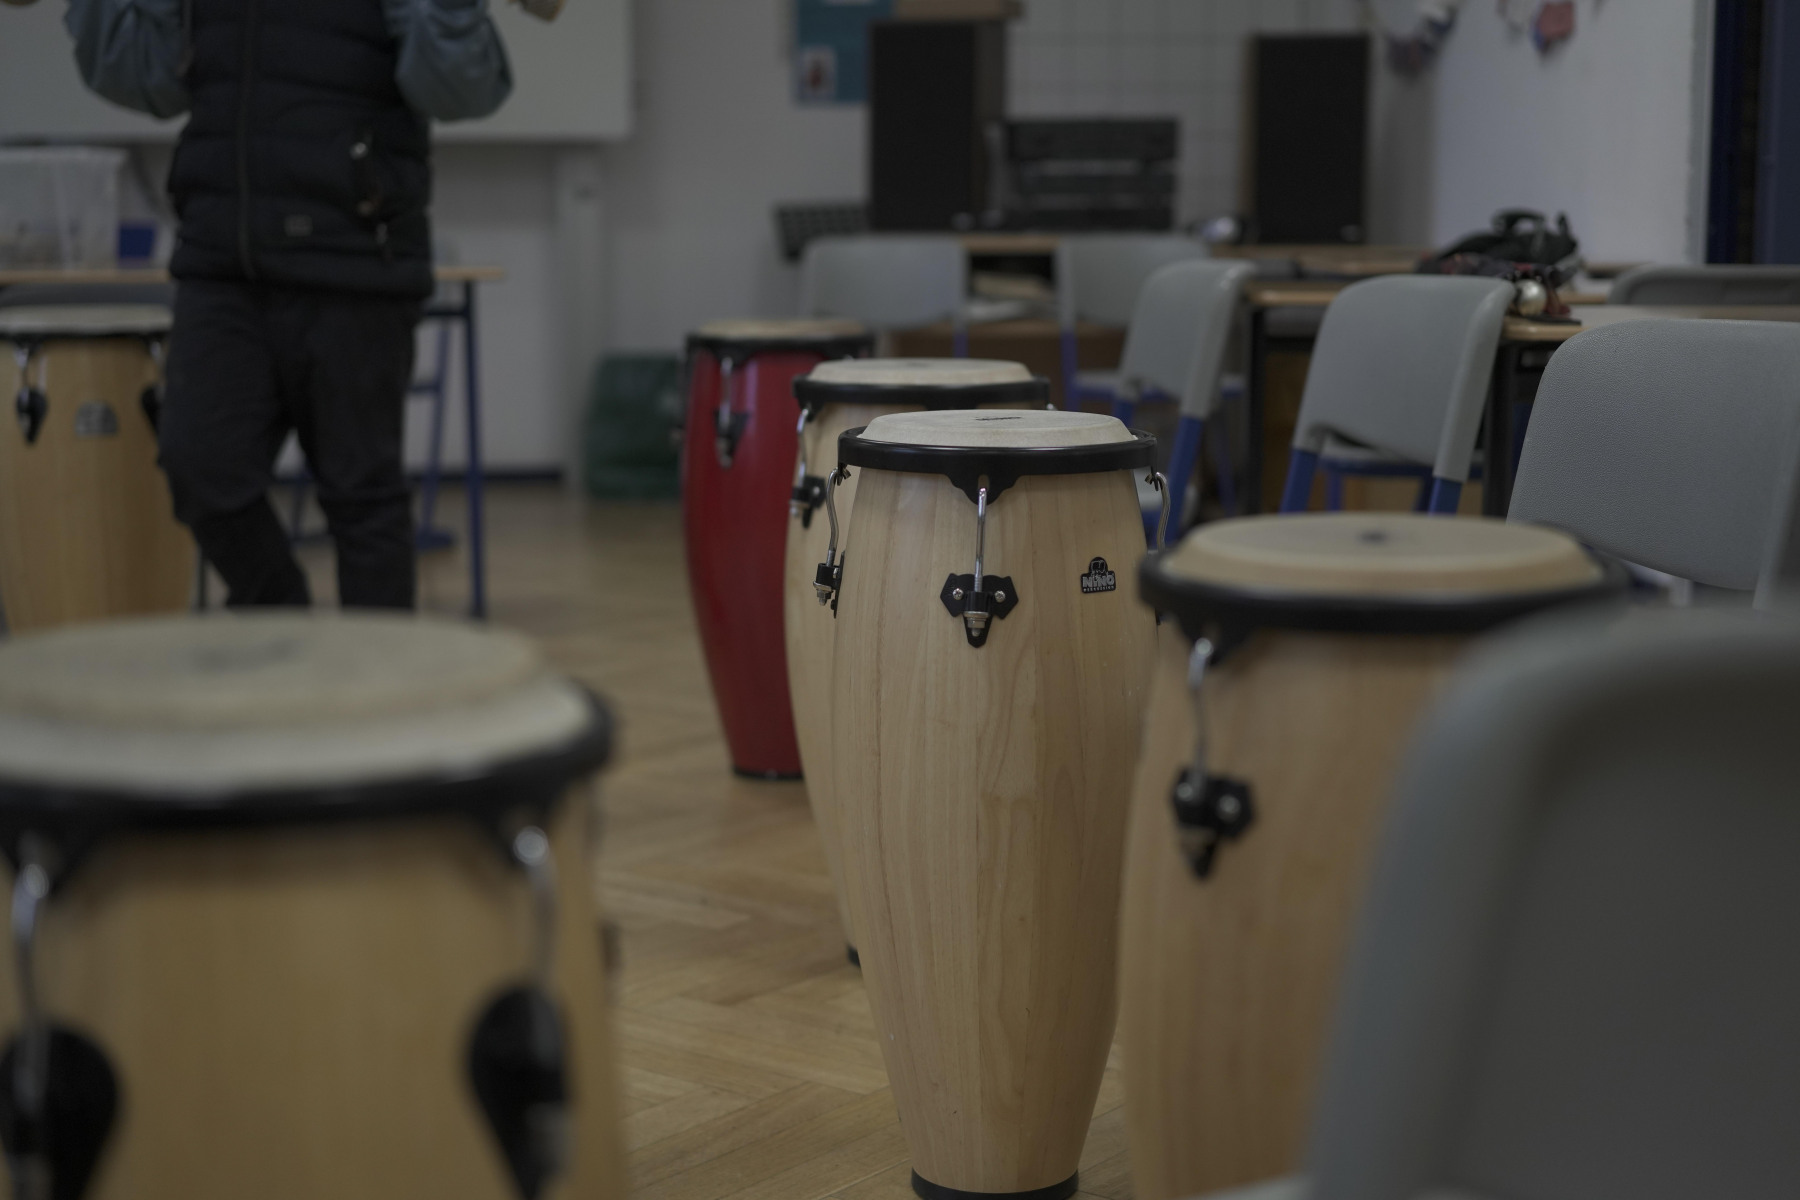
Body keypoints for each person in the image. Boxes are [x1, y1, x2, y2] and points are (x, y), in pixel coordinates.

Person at [64, 0, 514, 609]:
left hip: (355, 259)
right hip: (223, 263)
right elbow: (146, 77)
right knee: (200, 469)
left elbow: (461, 90)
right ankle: (286, 626)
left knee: (363, 501)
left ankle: (377, 673)